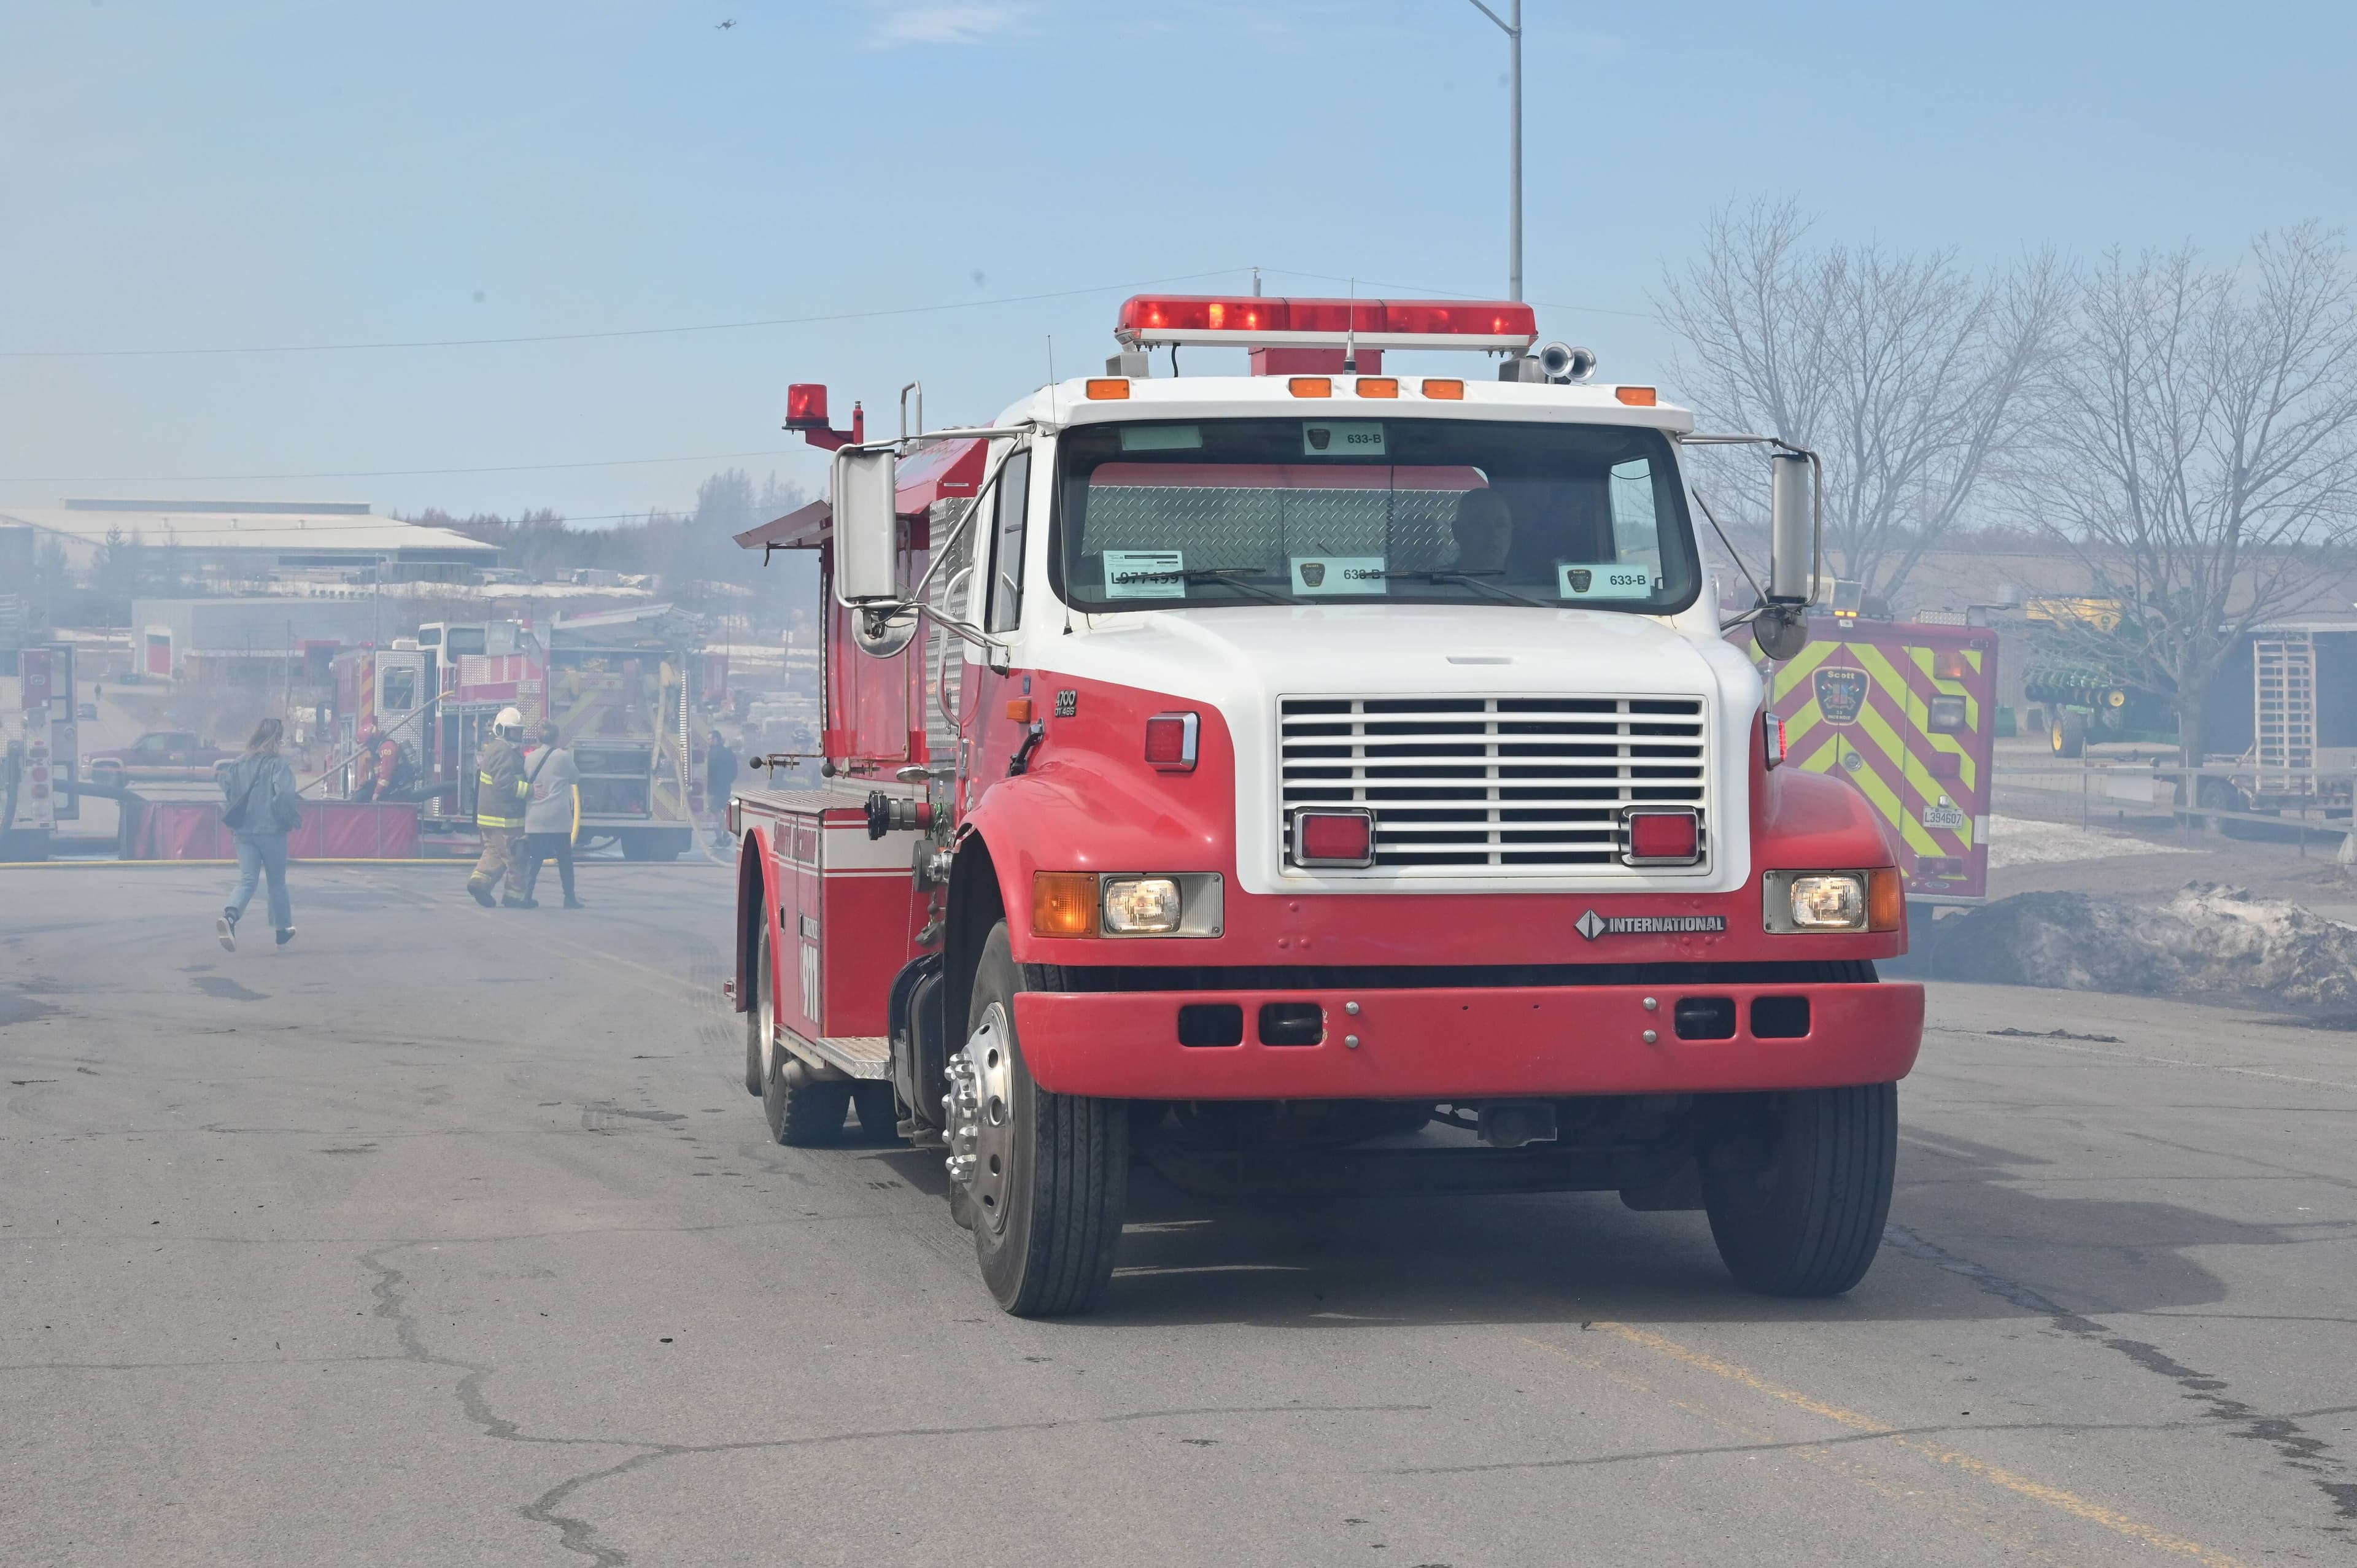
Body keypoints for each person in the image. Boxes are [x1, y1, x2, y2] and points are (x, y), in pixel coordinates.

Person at [214, 717, 301, 952]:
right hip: (271, 830)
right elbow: (283, 795)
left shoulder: (238, 763)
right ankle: (282, 930)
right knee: (276, 882)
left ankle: (230, 916)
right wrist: (287, 817)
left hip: (243, 830)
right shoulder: (278, 764)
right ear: (278, 738)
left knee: (247, 880)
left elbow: (229, 791)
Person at [467, 706, 530, 909]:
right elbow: (505, 784)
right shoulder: (503, 751)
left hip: (489, 817)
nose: (518, 735)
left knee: (494, 854)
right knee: (516, 858)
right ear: (502, 730)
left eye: (519, 731)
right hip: (505, 818)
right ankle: (515, 897)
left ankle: (479, 883)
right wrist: (530, 791)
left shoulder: (495, 748)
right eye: (514, 731)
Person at [517, 720, 584, 910]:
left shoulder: (529, 758)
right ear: (556, 738)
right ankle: (569, 898)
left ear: (539, 738)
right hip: (558, 817)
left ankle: (526, 895)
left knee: (534, 860)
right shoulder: (563, 757)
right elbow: (575, 778)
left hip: (535, 817)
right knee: (564, 860)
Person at [1450, 487, 1515, 574]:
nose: (1493, 534)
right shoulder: (1431, 585)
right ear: (1457, 532)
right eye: (1480, 524)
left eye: (1501, 524)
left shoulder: (1533, 585)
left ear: (1512, 530)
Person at [705, 730, 739, 847]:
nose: (708, 741)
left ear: (716, 740)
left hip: (714, 789)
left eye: (710, 739)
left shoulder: (711, 754)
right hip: (726, 788)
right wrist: (728, 782)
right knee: (719, 812)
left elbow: (708, 772)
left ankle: (724, 836)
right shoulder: (729, 753)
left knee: (715, 812)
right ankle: (721, 837)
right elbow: (735, 771)